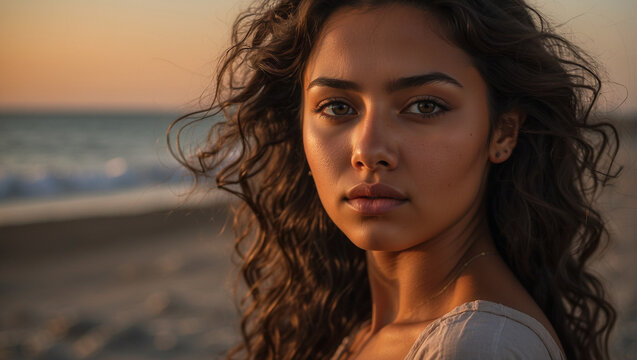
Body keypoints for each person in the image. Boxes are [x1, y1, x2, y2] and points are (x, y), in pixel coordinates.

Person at [169, 0, 620, 359]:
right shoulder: (352, 323)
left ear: (503, 132)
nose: (368, 151)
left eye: (425, 106)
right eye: (337, 107)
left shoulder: (477, 347)